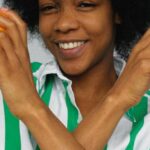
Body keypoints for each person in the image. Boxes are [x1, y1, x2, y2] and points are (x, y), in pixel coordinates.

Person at [0, 0, 150, 149]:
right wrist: (119, 98)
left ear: (117, 11)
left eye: (85, 5)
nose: (64, 24)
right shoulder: (5, 88)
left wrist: (29, 107)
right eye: (49, 7)